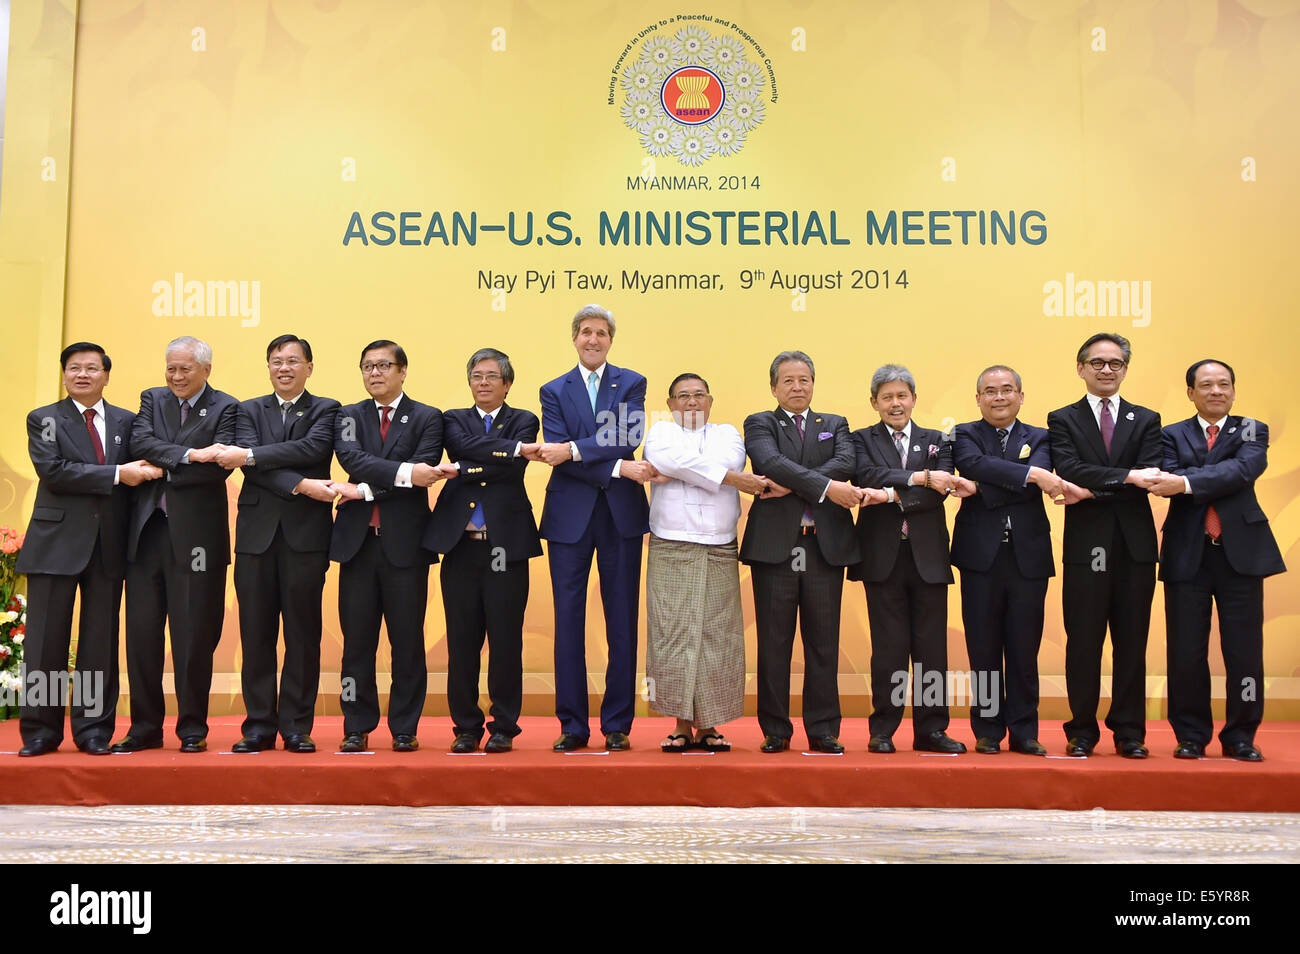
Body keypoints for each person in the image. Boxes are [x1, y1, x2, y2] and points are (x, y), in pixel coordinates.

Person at [16, 343, 162, 756]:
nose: (82, 374)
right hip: (54, 545)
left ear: (106, 376)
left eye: (91, 368)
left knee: (99, 644)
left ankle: (93, 730)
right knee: (45, 644)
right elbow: (54, 471)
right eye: (74, 368)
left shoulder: (127, 422)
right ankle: (41, 731)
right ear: (64, 375)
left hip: (108, 546)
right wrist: (118, 474)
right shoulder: (44, 418)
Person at [533, 304, 655, 752]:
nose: (593, 339)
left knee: (621, 619)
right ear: (574, 338)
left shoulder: (632, 382)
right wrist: (619, 469)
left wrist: (575, 452)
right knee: (569, 621)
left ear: (610, 340)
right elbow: (557, 452)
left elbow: (625, 437)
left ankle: (617, 723)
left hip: (620, 517)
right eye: (586, 332)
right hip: (570, 517)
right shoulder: (553, 389)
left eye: (601, 333)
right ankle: (572, 724)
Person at [1150, 359, 1285, 761]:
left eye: (1224, 384)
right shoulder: (1170, 433)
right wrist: (1206, 477)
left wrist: (1189, 481)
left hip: (1240, 553)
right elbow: (1167, 478)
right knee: (1186, 651)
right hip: (1187, 552)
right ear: (1190, 392)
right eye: (1206, 385)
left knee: (1244, 652)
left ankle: (1241, 735)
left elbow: (1246, 470)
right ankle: (1191, 735)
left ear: (1233, 390)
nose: (1216, 391)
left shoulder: (1250, 428)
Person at [951, 365, 1084, 756]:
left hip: (1028, 556)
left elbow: (1032, 474)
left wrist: (982, 489)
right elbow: (974, 465)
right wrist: (1031, 478)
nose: (999, 397)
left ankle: (1025, 731)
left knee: (1024, 649)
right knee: (984, 647)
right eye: (990, 391)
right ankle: (989, 730)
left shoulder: (1042, 435)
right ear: (978, 399)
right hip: (980, 558)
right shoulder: (961, 435)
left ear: (1021, 396)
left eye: (1007, 390)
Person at [216, 334, 340, 754]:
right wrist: (302, 482)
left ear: (309, 366)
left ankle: (296, 726)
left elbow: (313, 447)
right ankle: (258, 726)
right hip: (256, 536)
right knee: (256, 633)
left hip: (306, 537)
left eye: (292, 360)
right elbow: (253, 465)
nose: (284, 368)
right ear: (268, 367)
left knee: (303, 634)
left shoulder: (327, 409)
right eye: (276, 361)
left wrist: (252, 456)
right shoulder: (246, 409)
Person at [741, 350, 869, 754]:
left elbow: (846, 462)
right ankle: (776, 730)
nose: (798, 387)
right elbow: (768, 462)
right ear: (774, 387)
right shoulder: (760, 422)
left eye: (804, 380)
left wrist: (796, 484)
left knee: (823, 642)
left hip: (823, 547)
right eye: (789, 381)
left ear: (813, 383)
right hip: (775, 549)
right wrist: (823, 484)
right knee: (774, 644)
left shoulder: (835, 424)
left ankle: (823, 728)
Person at [114, 336, 238, 753]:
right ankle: (145, 727)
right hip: (148, 533)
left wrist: (167, 465)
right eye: (171, 368)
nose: (176, 376)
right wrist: (191, 455)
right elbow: (139, 444)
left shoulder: (227, 407)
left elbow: (218, 467)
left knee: (193, 637)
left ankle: (192, 729)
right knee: (143, 636)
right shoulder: (152, 398)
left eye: (185, 369)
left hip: (198, 540)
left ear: (206, 369)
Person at [1047, 333, 1163, 759]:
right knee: (1084, 641)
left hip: (1134, 548)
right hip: (1086, 548)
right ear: (1081, 368)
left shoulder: (1147, 419)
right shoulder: (1062, 418)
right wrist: (1126, 477)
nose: (1106, 370)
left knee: (1132, 642)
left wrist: (1093, 489)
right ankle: (1081, 730)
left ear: (1125, 369)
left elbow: (1150, 474)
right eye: (1097, 362)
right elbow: (1070, 468)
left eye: (1115, 363)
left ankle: (1130, 731)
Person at [848, 364, 974, 755]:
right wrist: (919, 478)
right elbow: (865, 474)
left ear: (914, 399)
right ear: (875, 402)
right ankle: (883, 728)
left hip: (929, 558)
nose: (895, 403)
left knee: (932, 649)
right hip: (882, 556)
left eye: (902, 395)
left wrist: (890, 494)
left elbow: (942, 490)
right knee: (888, 649)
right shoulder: (859, 440)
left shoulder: (937, 439)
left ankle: (932, 730)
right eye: (887, 397)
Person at [424, 348, 541, 754]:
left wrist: (467, 466)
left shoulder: (525, 419)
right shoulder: (452, 419)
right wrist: (502, 451)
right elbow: (462, 447)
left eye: (493, 376)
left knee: (506, 641)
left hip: (506, 546)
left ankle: (505, 725)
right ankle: (466, 727)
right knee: (462, 641)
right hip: (461, 547)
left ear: (507, 383)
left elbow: (512, 467)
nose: (484, 382)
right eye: (477, 376)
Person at [330, 340, 445, 753]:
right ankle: (356, 726)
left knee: (407, 641)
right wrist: (399, 476)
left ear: (403, 371)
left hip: (406, 546)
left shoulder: (429, 418)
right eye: (367, 366)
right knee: (356, 642)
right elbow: (352, 459)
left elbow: (425, 470)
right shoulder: (347, 416)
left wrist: (362, 490)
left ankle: (404, 727)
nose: (374, 373)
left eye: (383, 365)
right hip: (357, 546)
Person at [642, 373, 764, 752]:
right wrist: (730, 479)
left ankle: (709, 724)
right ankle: (680, 723)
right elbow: (666, 458)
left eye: (698, 395)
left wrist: (679, 473)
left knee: (716, 635)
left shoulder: (728, 434)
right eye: (683, 396)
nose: (692, 402)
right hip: (671, 544)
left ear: (710, 400)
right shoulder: (660, 433)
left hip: (718, 545)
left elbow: (717, 461)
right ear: (671, 402)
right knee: (673, 634)